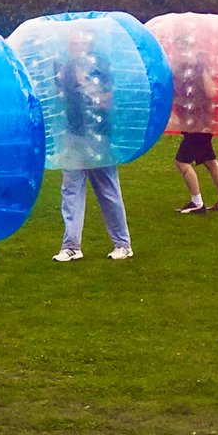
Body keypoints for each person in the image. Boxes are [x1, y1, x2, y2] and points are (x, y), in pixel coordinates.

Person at [51, 31, 133, 262]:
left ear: (88, 43)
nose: (74, 46)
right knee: (70, 191)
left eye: (78, 42)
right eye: (71, 42)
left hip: (98, 138)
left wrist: (85, 83)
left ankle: (123, 244)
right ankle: (71, 246)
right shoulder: (66, 67)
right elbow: (62, 98)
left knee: (107, 190)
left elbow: (108, 101)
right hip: (73, 134)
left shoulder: (101, 66)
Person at [172, 52, 218, 214]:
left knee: (182, 162)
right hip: (193, 125)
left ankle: (197, 203)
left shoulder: (202, 69)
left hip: (200, 126)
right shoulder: (181, 71)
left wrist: (202, 68)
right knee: (210, 161)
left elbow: (211, 92)